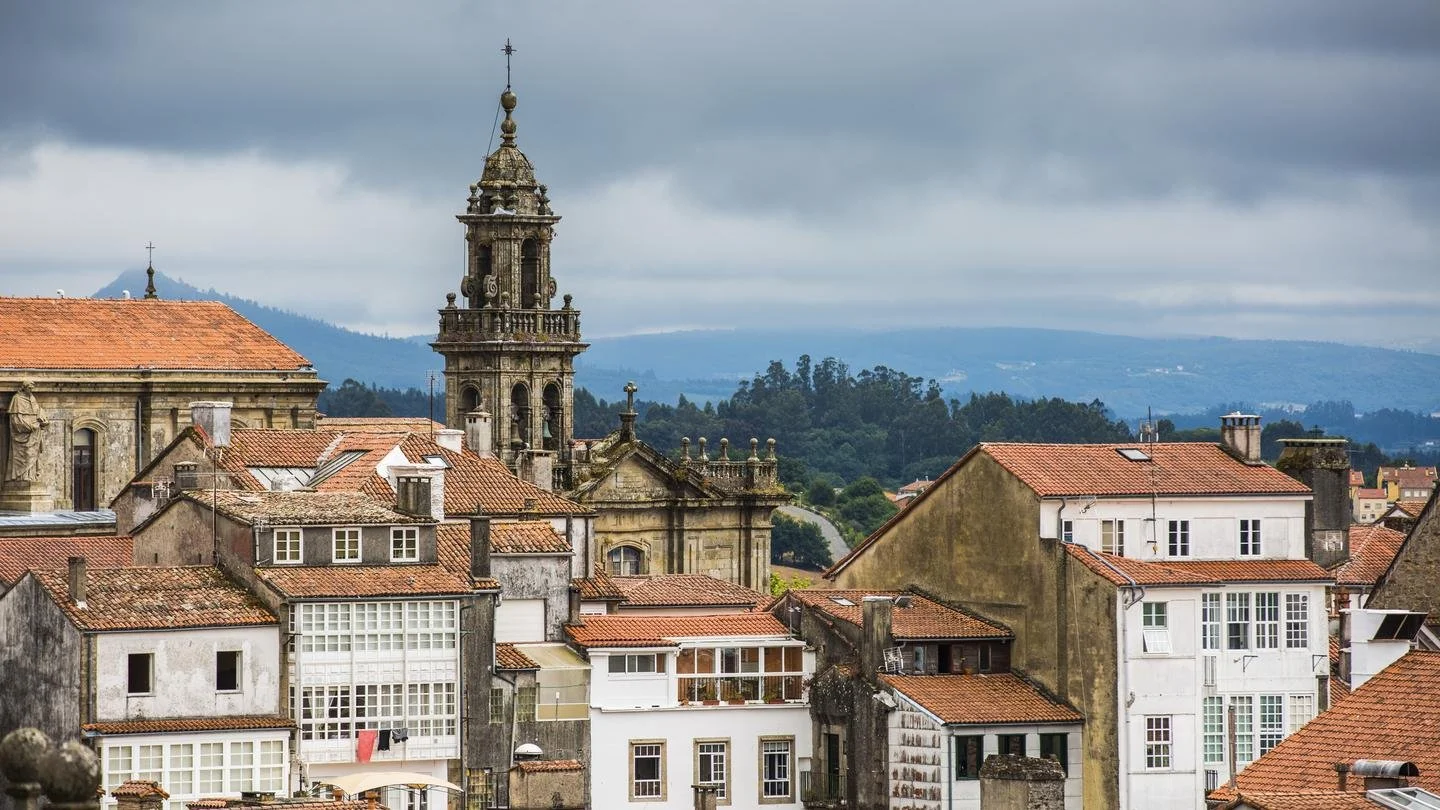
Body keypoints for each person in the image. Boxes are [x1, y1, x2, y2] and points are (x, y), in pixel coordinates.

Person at [6, 381, 49, 483]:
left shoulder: (32, 399)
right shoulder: (17, 399)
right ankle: (22, 477)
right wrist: (30, 426)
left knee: (33, 454)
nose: (31, 390)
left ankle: (31, 476)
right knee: (25, 454)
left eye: (32, 388)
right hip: (22, 433)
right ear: (24, 387)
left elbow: (39, 412)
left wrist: (43, 421)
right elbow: (16, 420)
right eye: (29, 388)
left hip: (34, 433)